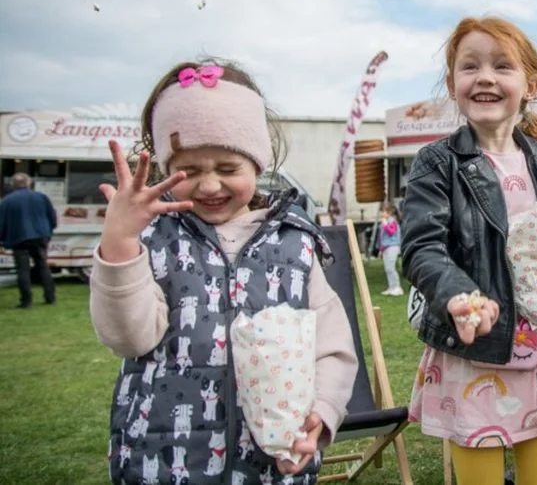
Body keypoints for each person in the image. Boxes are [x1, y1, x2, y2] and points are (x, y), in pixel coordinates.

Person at [89, 58, 359, 485]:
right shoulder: (153, 240)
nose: (210, 186)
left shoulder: (296, 243)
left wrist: (322, 413)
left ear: (259, 164)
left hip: (275, 466)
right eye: (189, 171)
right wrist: (121, 244)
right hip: (162, 463)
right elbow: (128, 338)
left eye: (229, 169)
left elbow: (332, 348)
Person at [400, 16, 537, 485]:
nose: (485, 77)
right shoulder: (438, 162)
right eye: (469, 66)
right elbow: (421, 248)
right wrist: (460, 296)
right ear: (453, 83)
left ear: (530, 85)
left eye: (502, 66)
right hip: (477, 347)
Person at [0, 172, 58, 308]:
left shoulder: (7, 201)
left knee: (23, 270)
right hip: (40, 237)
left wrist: (2, 240)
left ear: (13, 185)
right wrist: (48, 232)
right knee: (43, 267)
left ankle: (26, 301)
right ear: (29, 183)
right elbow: (52, 216)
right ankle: (50, 298)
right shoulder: (41, 197)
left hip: (19, 239)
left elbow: (1, 223)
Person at [377, 202, 403, 296]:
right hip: (386, 247)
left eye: (383, 211)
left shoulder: (393, 221)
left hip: (393, 247)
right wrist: (380, 249)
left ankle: (397, 287)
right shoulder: (384, 222)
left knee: (391, 268)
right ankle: (391, 287)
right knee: (387, 268)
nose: (381, 213)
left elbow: (391, 232)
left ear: (389, 212)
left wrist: (385, 224)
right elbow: (381, 237)